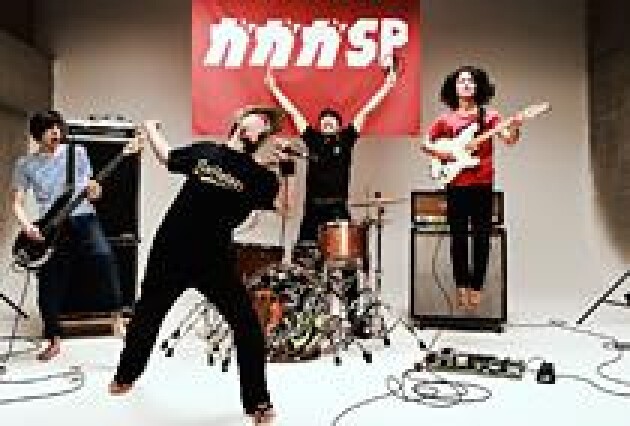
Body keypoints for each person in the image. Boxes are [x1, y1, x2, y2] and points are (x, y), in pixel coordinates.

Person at [109, 107, 286, 425]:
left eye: (267, 127)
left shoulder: (259, 177)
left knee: (247, 325)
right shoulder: (206, 152)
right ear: (240, 122)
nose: (262, 127)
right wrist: (151, 128)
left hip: (214, 259)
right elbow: (167, 157)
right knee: (148, 314)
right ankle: (125, 375)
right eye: (259, 120)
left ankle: (258, 401)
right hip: (171, 249)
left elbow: (283, 208)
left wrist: (285, 169)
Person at [11, 110, 123, 361]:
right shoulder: (25, 164)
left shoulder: (77, 153)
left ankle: (117, 319)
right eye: (49, 128)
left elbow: (93, 192)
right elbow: (16, 203)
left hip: (84, 217)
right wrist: (28, 226)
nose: (55, 132)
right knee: (49, 281)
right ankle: (53, 337)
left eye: (58, 127)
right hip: (51, 226)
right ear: (37, 133)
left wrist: (95, 190)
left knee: (104, 258)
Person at [422, 66, 521, 310]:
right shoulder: (445, 120)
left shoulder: (490, 117)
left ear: (478, 87)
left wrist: (516, 126)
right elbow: (425, 144)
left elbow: (509, 140)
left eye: (471, 81)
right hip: (456, 183)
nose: (466, 84)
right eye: (461, 81)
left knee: (481, 237)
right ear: (454, 88)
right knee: (458, 238)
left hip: (482, 183)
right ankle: (461, 286)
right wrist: (447, 153)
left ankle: (477, 286)